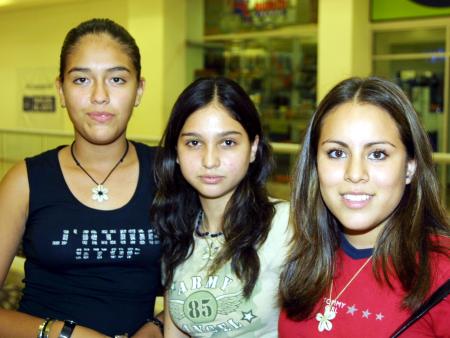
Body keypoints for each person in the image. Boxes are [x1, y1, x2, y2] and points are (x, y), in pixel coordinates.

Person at [0, 18, 163, 338]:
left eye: (117, 79)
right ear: (60, 90)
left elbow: (205, 282)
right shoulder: (25, 180)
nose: (99, 96)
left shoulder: (168, 174)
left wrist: (157, 327)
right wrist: (62, 333)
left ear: (139, 90)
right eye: (81, 80)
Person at [278, 77, 449, 337]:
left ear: (410, 167)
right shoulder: (303, 255)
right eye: (337, 153)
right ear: (314, 164)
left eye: (377, 154)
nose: (355, 174)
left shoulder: (442, 273)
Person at [151, 76, 290, 337]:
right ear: (176, 153)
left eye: (227, 142)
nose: (210, 160)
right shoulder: (178, 229)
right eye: (194, 143)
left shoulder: (286, 227)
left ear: (252, 148)